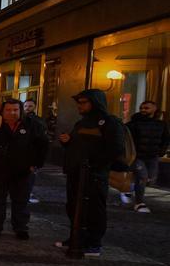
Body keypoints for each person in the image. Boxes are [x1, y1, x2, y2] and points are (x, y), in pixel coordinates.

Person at [56, 89, 126, 256]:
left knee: (94, 209)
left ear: (95, 103)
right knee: (74, 206)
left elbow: (115, 149)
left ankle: (94, 243)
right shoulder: (82, 123)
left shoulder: (109, 123)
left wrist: (95, 164)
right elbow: (80, 145)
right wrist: (68, 142)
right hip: (76, 173)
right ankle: (77, 237)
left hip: (94, 175)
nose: (80, 106)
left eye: (84, 102)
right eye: (78, 103)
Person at [0, 99, 49, 239]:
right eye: (8, 110)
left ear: (20, 110)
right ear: (2, 111)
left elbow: (42, 146)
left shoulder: (33, 126)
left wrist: (35, 165)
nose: (12, 113)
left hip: (23, 172)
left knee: (21, 201)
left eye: (15, 110)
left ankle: (21, 228)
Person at [126, 100, 169, 213]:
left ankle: (129, 188)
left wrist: (161, 151)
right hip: (137, 157)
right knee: (142, 177)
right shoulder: (133, 124)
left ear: (154, 109)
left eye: (146, 108)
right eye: (141, 108)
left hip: (152, 156)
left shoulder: (161, 124)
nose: (143, 110)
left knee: (151, 180)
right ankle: (139, 203)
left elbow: (166, 139)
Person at [22, 100, 47, 204]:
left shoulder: (38, 121)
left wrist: (38, 160)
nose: (28, 108)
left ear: (35, 107)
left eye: (30, 106)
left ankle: (27, 194)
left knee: (30, 176)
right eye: (26, 106)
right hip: (22, 153)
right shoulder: (21, 119)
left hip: (32, 153)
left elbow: (42, 141)